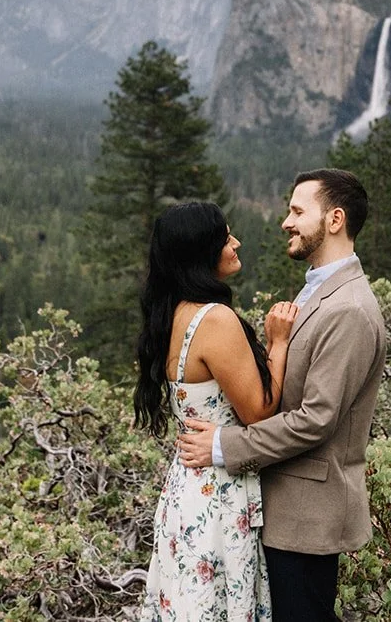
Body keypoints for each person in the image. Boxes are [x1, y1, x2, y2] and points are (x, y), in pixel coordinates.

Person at [176, 169, 386, 622]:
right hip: (278, 509)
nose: (285, 222)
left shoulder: (349, 309)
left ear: (334, 219)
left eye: (296, 211)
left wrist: (221, 445)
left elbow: (316, 419)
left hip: (307, 517)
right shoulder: (319, 291)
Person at [134, 201, 300, 621]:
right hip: (219, 495)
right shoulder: (214, 319)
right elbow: (260, 414)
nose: (236, 243)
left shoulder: (172, 314)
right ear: (202, 250)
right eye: (226, 237)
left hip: (186, 490)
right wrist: (278, 343)